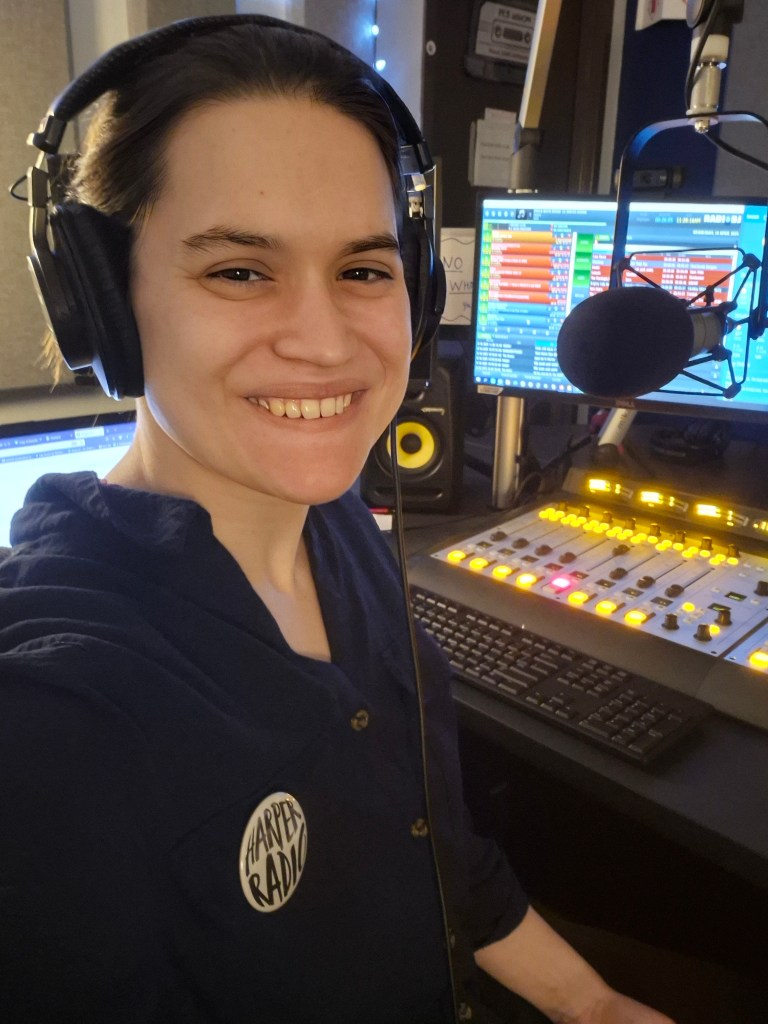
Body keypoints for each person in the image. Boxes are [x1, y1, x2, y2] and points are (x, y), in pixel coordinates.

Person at [0, 16, 677, 1024]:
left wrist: (590, 1002)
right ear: (99, 304)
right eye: (239, 270)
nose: (324, 343)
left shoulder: (344, 529)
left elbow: (444, 855)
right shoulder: (52, 720)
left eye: (363, 269)